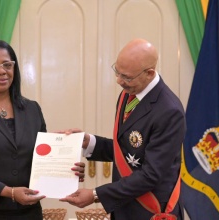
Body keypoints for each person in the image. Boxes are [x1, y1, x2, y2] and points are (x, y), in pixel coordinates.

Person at [0, 40, 85, 220]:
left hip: (27, 213)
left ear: (14, 69)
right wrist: (8, 192)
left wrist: (67, 168)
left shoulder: (32, 109)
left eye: (7, 64)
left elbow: (41, 159)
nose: (1, 70)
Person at [60, 38, 186, 220]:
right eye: (117, 72)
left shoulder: (169, 111)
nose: (119, 81)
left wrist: (96, 194)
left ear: (149, 73)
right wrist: (89, 142)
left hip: (151, 211)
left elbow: (151, 175)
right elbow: (128, 151)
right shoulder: (129, 94)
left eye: (126, 76)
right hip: (125, 208)